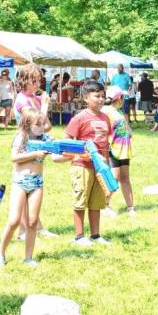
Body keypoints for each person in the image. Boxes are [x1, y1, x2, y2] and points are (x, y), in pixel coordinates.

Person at [0, 107, 63, 268]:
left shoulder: (45, 138)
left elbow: (56, 158)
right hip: (20, 182)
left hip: (37, 183)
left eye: (42, 123)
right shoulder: (21, 137)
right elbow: (14, 158)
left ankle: (28, 257)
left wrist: (72, 155)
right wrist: (34, 154)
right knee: (14, 220)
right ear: (27, 124)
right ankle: (0, 253)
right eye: (37, 124)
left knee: (32, 222)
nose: (41, 127)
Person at [64, 80, 112, 247]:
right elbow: (68, 141)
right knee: (80, 200)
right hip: (82, 166)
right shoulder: (79, 118)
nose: (101, 99)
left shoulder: (106, 118)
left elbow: (106, 141)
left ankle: (95, 235)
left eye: (103, 96)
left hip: (100, 168)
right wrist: (82, 153)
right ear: (85, 98)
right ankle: (79, 236)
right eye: (97, 96)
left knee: (96, 202)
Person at [13, 63, 56, 239]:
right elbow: (36, 125)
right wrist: (45, 107)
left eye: (39, 80)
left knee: (34, 185)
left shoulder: (35, 99)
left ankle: (36, 225)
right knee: (24, 186)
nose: (38, 84)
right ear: (24, 81)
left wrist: (43, 110)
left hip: (37, 145)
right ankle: (24, 229)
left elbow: (46, 126)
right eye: (34, 80)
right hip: (26, 146)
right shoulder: (22, 100)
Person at [101, 86, 135, 217]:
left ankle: (130, 207)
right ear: (118, 98)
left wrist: (129, 132)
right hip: (113, 149)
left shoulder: (118, 111)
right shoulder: (106, 110)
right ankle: (105, 205)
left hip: (124, 150)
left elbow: (125, 128)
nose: (124, 100)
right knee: (114, 178)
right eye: (123, 97)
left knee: (125, 178)